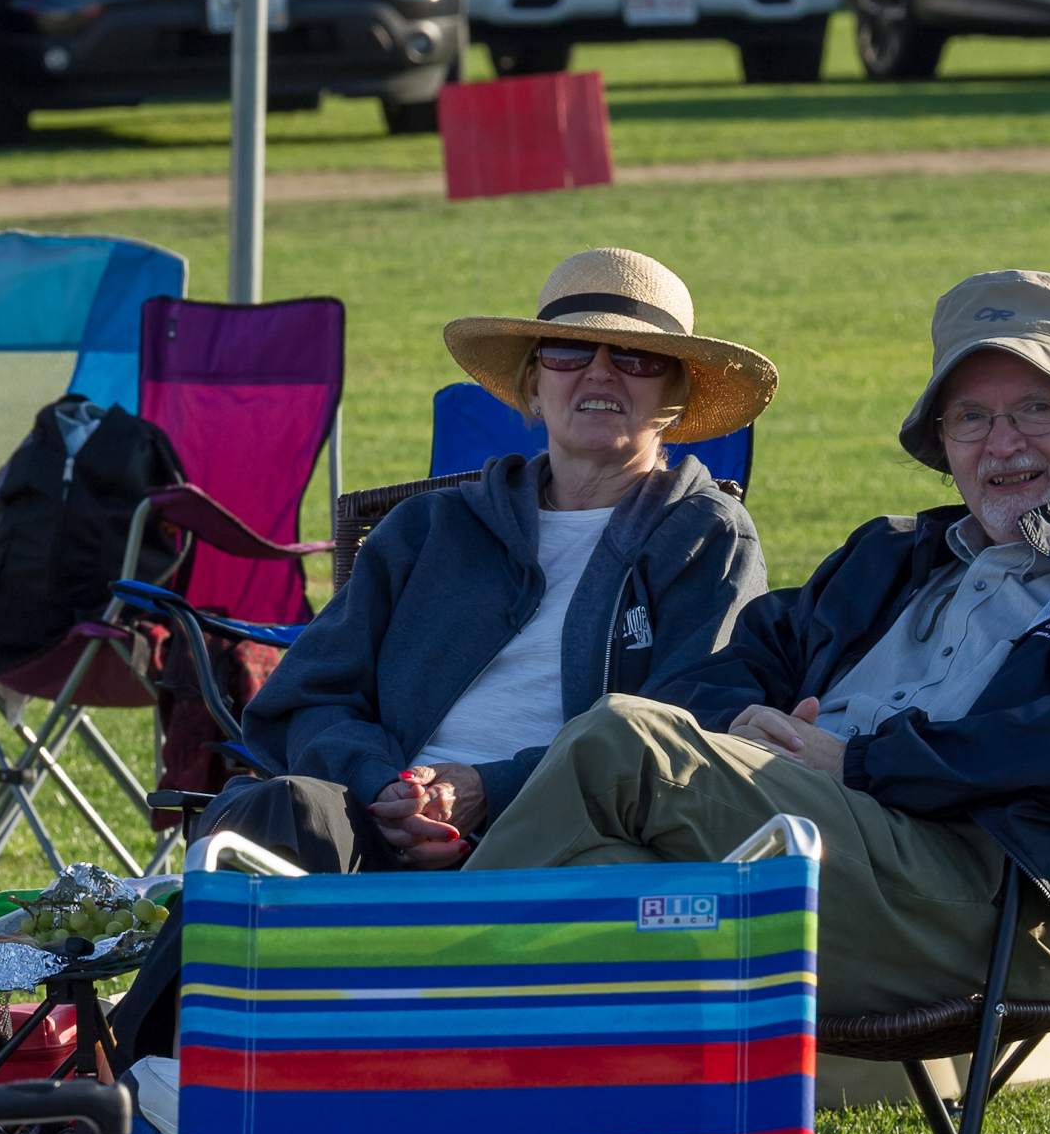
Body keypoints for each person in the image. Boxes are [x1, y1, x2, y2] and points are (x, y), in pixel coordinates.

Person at [467, 270, 1050, 1018]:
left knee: (622, 739)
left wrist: (862, 762)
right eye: (971, 417)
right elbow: (720, 673)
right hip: (829, 853)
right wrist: (749, 728)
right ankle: (480, 1082)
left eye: (1037, 409)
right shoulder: (890, 560)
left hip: (1005, 905)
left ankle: (414, 996)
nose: (1001, 442)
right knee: (607, 877)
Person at [200, 248, 777, 871]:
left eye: (636, 358)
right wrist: (383, 787)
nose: (600, 374)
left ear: (674, 398)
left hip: (567, 835)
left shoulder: (704, 539)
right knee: (267, 819)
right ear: (534, 384)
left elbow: (686, 737)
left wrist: (490, 791)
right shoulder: (431, 528)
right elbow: (308, 696)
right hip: (372, 820)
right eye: (569, 352)